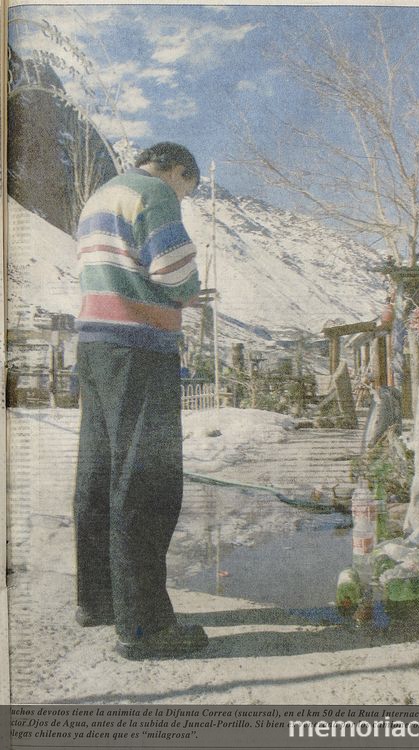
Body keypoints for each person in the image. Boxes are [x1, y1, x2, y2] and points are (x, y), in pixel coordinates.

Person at [73, 142, 208, 660]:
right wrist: (191, 291)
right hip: (138, 345)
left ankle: (99, 599)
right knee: (146, 479)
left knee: (99, 472)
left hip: (96, 345)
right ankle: (144, 625)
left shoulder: (99, 195)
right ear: (178, 171)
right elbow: (172, 270)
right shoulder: (153, 192)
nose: (183, 196)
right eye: (186, 189)